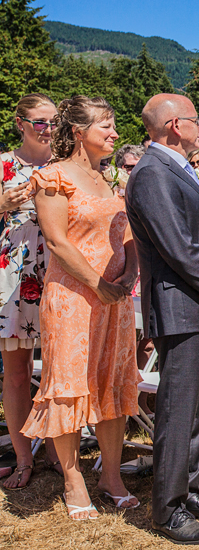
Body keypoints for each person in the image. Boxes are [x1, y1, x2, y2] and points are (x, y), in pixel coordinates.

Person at [126, 94, 199, 544]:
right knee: (177, 412)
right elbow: (177, 246)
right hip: (181, 309)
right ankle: (168, 509)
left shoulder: (178, 168)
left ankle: (190, 491)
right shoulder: (151, 173)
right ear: (176, 125)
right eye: (196, 120)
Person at [23, 96, 140, 519]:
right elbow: (57, 241)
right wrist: (97, 284)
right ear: (78, 131)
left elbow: (126, 233)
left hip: (116, 300)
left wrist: (130, 273)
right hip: (73, 298)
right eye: (105, 126)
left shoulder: (109, 178)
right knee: (69, 387)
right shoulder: (53, 176)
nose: (114, 134)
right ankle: (73, 481)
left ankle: (111, 477)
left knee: (112, 383)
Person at [0, 93, 59, 490]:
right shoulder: (4, 164)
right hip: (14, 275)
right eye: (40, 122)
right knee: (18, 372)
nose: (49, 129)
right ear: (20, 123)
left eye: (54, 121)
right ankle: (23, 457)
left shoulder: (66, 164)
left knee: (58, 369)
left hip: (58, 269)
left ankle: (58, 451)